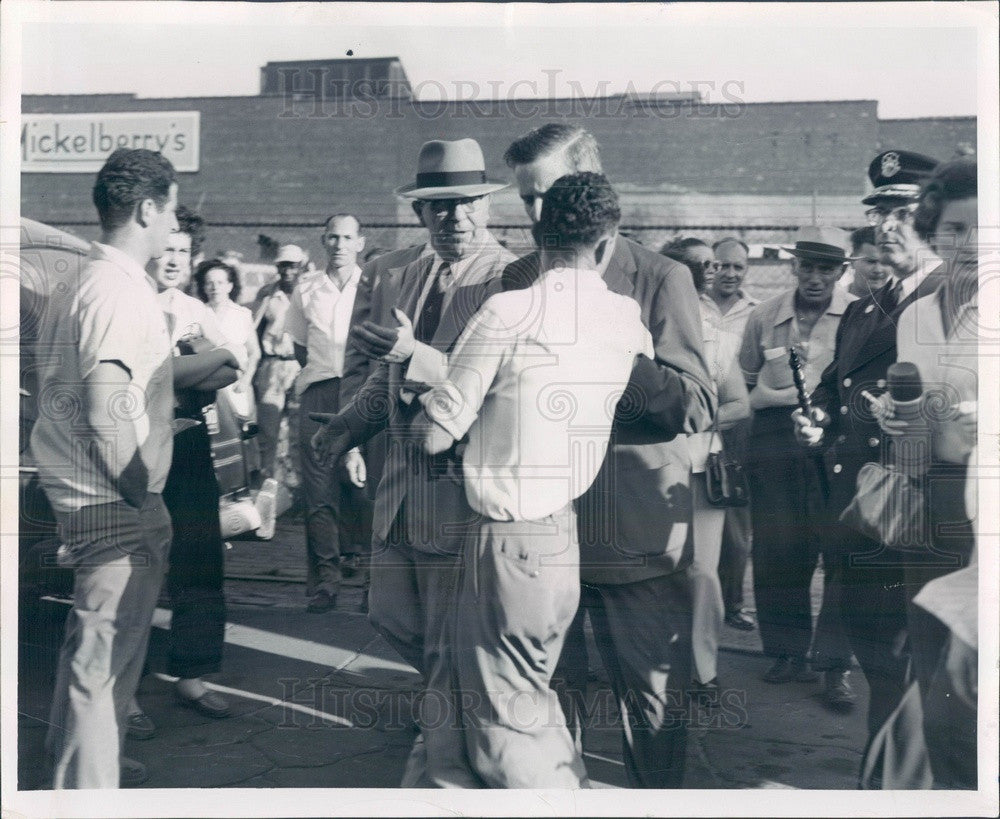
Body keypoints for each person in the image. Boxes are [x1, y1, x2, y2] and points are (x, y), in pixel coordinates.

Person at [414, 172, 654, 787]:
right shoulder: (625, 316)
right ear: (606, 245)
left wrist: (432, 391)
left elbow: (434, 435)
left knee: (506, 723)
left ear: (537, 239)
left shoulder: (508, 309)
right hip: (558, 538)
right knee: (461, 694)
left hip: (502, 536)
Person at [502, 123, 715, 788]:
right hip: (540, 532)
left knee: (650, 707)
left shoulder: (659, 276)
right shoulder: (516, 276)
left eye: (549, 196)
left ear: (591, 180)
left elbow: (694, 404)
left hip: (632, 534)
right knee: (544, 707)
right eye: (526, 202)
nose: (537, 217)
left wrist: (605, 349)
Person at [309, 138, 515, 786]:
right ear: (421, 215)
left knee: (447, 641)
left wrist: (415, 352)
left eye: (465, 206)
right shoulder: (408, 273)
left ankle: (439, 765)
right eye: (438, 208)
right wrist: (342, 429)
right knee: (391, 616)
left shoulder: (513, 278)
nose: (454, 219)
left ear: (486, 207)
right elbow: (385, 372)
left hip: (461, 490)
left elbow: (500, 381)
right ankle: (455, 711)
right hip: (400, 489)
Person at [31, 148, 178, 788]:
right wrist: (140, 495)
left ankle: (77, 771)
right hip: (115, 505)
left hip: (85, 499)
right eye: (170, 210)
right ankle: (88, 791)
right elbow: (106, 404)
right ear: (147, 209)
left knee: (87, 658)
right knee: (105, 668)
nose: (174, 226)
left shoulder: (78, 282)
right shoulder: (115, 289)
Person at [795, 150, 946, 750]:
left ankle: (895, 784)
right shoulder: (864, 304)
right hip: (857, 503)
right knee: (876, 654)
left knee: (905, 665)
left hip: (911, 512)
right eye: (879, 210)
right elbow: (837, 382)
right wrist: (821, 417)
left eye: (901, 210)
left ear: (930, 214)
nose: (886, 226)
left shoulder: (951, 296)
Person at [876, 157, 978, 787]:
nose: (967, 243)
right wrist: (895, 420)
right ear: (932, 231)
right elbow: (914, 421)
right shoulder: (914, 314)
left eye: (982, 228)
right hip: (924, 502)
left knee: (965, 683)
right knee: (926, 653)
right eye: (953, 228)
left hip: (985, 512)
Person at [139, 218, 248, 730]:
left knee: (199, 557)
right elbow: (143, 376)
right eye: (167, 248)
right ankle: (125, 691)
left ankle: (192, 674)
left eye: (184, 250)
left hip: (188, 442)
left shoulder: (194, 309)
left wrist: (183, 368)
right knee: (138, 566)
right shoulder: (132, 299)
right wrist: (193, 362)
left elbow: (231, 369)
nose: (175, 258)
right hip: (135, 443)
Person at [739, 226, 854, 703]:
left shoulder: (858, 316)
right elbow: (745, 380)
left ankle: (834, 666)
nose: (814, 277)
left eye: (825, 268)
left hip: (833, 442)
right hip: (773, 442)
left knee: (841, 551)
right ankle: (786, 652)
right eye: (806, 266)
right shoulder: (763, 316)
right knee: (776, 548)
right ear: (793, 267)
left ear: (841, 272)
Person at [662, 238, 750, 703]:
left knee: (702, 571)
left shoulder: (715, 337)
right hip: (648, 468)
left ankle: (703, 669)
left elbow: (739, 402)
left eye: (704, 270)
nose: (700, 279)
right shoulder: (640, 328)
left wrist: (699, 417)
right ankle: (650, 664)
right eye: (689, 270)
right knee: (652, 568)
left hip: (701, 468)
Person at [284, 214, 369, 613]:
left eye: (347, 238)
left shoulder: (373, 286)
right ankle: (326, 581)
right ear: (323, 240)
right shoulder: (305, 289)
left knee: (367, 488)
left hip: (364, 393)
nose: (339, 244)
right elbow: (301, 346)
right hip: (319, 393)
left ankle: (374, 579)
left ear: (360, 243)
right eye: (332, 237)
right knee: (319, 492)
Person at [705, 237, 760, 632]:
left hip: (740, 425)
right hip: (696, 420)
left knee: (737, 519)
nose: (729, 273)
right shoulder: (691, 305)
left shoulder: (755, 313)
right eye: (722, 265)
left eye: (737, 267)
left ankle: (735, 602)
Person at [251, 244, 306, 482]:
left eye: (292, 266)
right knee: (268, 431)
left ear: (301, 267)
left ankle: (296, 487)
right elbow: (253, 329)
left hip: (298, 365)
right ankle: (267, 483)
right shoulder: (267, 294)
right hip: (272, 364)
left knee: (297, 430)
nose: (287, 271)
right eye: (283, 265)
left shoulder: (309, 293)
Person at [196, 258, 261, 423]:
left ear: (230, 286)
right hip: (206, 386)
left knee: (242, 434)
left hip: (236, 385)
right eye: (209, 283)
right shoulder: (198, 313)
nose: (214, 287)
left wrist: (246, 381)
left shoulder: (242, 314)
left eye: (220, 282)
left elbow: (254, 352)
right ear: (203, 287)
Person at [843, 226, 893, 299]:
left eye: (885, 262)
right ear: (852, 260)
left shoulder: (899, 304)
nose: (878, 270)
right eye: (871, 261)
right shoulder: (833, 301)